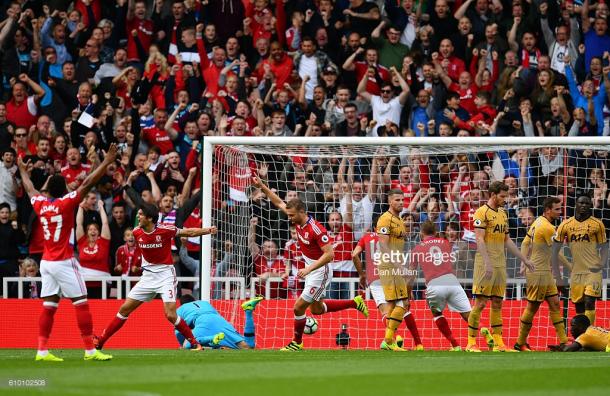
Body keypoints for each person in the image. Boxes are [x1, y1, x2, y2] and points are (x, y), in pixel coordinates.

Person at [18, 144, 118, 362]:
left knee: (49, 305)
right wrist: (107, 161)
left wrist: (23, 170)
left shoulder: (41, 204)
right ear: (63, 189)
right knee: (81, 302)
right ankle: (90, 351)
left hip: (46, 261)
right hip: (63, 261)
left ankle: (42, 351)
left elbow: (29, 189)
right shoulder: (65, 203)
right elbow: (89, 182)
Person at [251, 176, 368, 352]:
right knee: (317, 310)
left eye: (291, 216)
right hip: (312, 268)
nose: (289, 219)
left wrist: (308, 269)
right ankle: (355, 302)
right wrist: (262, 186)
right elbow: (278, 203)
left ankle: (296, 343)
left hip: (321, 270)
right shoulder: (297, 219)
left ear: (301, 212)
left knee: (298, 307)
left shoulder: (316, 229)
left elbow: (330, 254)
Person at [93, 203, 218, 351]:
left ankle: (195, 343)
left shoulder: (165, 230)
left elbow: (189, 232)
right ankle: (101, 341)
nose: (138, 217)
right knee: (124, 309)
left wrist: (208, 230)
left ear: (150, 218)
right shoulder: (136, 232)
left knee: (170, 315)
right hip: (148, 277)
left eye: (140, 215)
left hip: (165, 275)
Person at [467, 181, 534, 352]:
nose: (506, 199)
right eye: (503, 196)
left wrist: (524, 259)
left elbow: (507, 240)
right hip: (485, 263)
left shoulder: (503, 214)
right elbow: (479, 239)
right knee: (481, 303)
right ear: (493, 195)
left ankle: (499, 344)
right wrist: (487, 262)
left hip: (500, 264)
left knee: (497, 302)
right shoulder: (481, 212)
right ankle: (471, 343)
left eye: (507, 196)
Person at [352, 224, 422, 350]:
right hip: (390, 274)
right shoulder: (391, 238)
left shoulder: (366, 238)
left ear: (374, 228)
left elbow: (354, 254)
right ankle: (418, 344)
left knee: (386, 312)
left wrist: (362, 275)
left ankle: (391, 341)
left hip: (374, 278)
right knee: (403, 307)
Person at [515, 197, 569, 351]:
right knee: (532, 307)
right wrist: (571, 266)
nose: (560, 212)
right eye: (557, 209)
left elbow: (525, 242)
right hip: (538, 272)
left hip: (543, 272)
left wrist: (524, 261)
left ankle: (564, 342)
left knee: (554, 303)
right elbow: (556, 253)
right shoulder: (547, 228)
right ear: (547, 210)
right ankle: (520, 343)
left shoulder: (538, 221)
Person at [409, 221, 470, 351]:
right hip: (451, 280)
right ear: (436, 232)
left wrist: (408, 291)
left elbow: (411, 274)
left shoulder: (417, 249)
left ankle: (455, 345)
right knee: (468, 315)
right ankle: (487, 334)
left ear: (421, 233)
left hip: (434, 283)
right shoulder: (445, 243)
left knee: (436, 313)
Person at [552, 195, 608, 327]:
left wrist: (602, 263)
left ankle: (589, 333)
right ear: (576, 204)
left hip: (593, 270)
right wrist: (558, 276)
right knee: (579, 306)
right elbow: (554, 251)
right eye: (581, 203)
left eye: (587, 204)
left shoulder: (598, 224)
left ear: (591, 206)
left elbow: (604, 247)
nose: (584, 206)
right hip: (576, 271)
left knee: (589, 301)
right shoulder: (565, 225)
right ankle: (581, 336)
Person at [375, 189, 418, 351]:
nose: (401, 202)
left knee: (399, 303)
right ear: (389, 201)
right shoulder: (385, 219)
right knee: (398, 303)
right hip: (389, 265)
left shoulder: (399, 220)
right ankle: (388, 340)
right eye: (397, 200)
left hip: (397, 265)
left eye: (403, 199)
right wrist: (399, 266)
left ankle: (388, 340)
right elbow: (383, 245)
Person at [174, 295, 263, 349]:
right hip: (218, 320)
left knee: (187, 345)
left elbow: (179, 331)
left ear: (181, 304)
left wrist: (182, 344)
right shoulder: (204, 303)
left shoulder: (180, 309)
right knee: (247, 347)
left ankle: (211, 339)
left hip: (201, 321)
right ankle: (248, 311)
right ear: (194, 300)